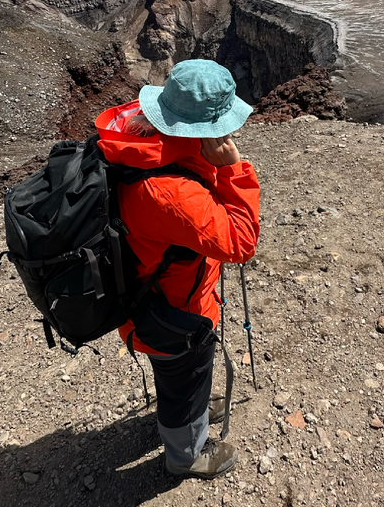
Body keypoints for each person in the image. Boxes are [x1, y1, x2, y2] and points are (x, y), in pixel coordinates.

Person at [95, 59, 260, 479]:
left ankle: (193, 411)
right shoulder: (171, 191)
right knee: (183, 382)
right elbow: (240, 243)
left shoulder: (140, 144)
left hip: (147, 293)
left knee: (184, 379)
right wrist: (231, 169)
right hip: (171, 317)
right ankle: (186, 455)